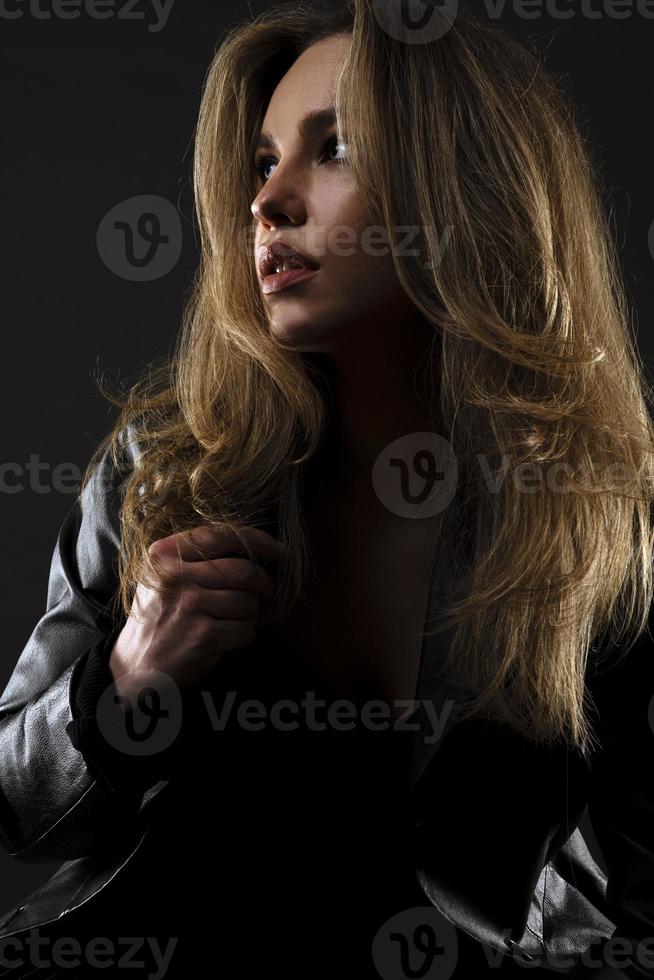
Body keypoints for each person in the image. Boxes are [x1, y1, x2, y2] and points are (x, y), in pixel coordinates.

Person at [1, 3, 653, 978]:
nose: (269, 202)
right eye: (262, 163)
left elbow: (631, 898)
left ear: (469, 189)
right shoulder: (167, 467)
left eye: (334, 148)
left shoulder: (598, 521)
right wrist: (126, 676)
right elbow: (17, 807)